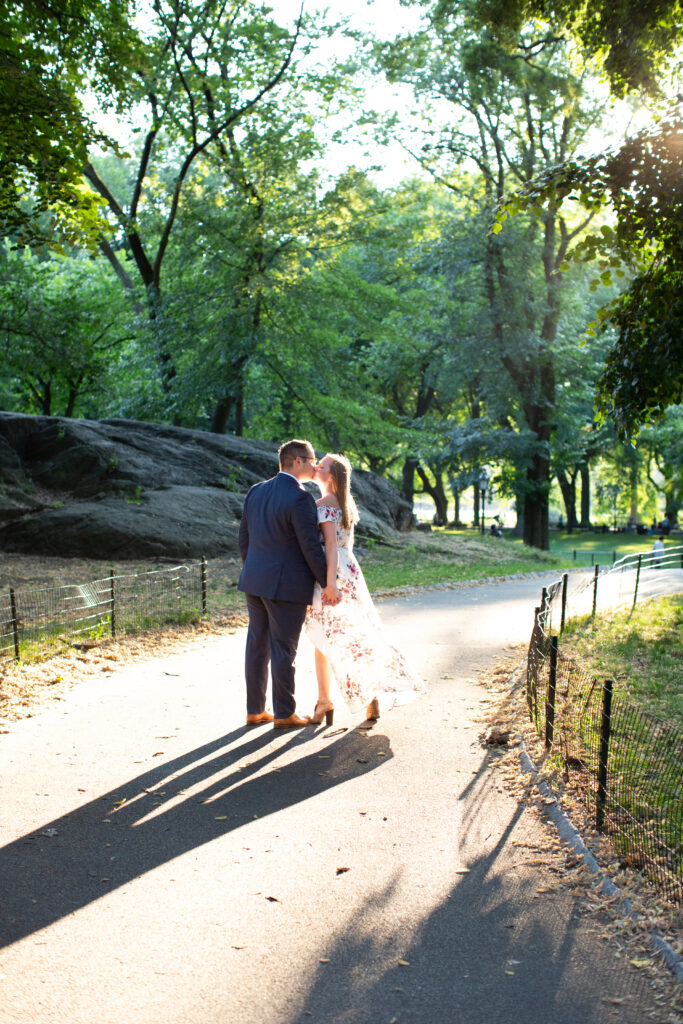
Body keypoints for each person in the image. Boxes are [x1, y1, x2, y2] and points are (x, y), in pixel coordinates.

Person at [304, 452, 424, 726]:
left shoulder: (323, 504)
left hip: (331, 574)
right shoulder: (347, 505)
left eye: (321, 465)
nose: (315, 466)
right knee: (359, 636)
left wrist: (329, 584)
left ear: (331, 476)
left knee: (323, 638)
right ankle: (372, 699)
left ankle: (324, 701)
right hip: (351, 572)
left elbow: (331, 546)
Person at [238, 439, 340, 729]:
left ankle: (255, 710)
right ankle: (284, 713)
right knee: (284, 649)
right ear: (298, 462)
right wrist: (325, 583)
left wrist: (254, 569)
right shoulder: (299, 498)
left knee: (257, 645)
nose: (314, 465)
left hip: (254, 581)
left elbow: (244, 538)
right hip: (286, 586)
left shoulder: (256, 491)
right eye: (311, 460)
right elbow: (310, 546)